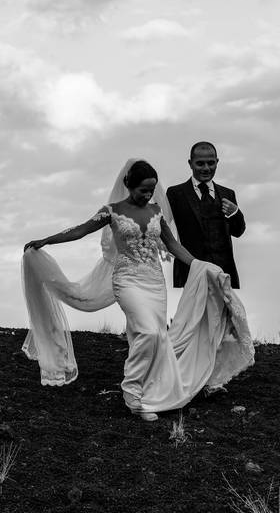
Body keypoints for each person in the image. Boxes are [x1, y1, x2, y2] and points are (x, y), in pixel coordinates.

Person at [21, 158, 254, 422]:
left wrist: (201, 265)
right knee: (149, 331)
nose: (148, 195)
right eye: (143, 189)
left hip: (155, 283)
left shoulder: (156, 212)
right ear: (129, 186)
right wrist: (46, 241)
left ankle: (150, 389)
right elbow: (80, 230)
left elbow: (173, 246)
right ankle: (131, 392)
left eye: (151, 190)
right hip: (127, 280)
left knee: (156, 337)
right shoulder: (112, 211)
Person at [166, 141, 245, 289]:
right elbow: (164, 228)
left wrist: (235, 212)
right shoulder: (175, 194)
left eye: (211, 163)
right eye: (200, 163)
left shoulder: (228, 194)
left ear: (217, 162)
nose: (206, 168)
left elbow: (238, 231)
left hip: (223, 274)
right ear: (190, 163)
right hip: (189, 273)